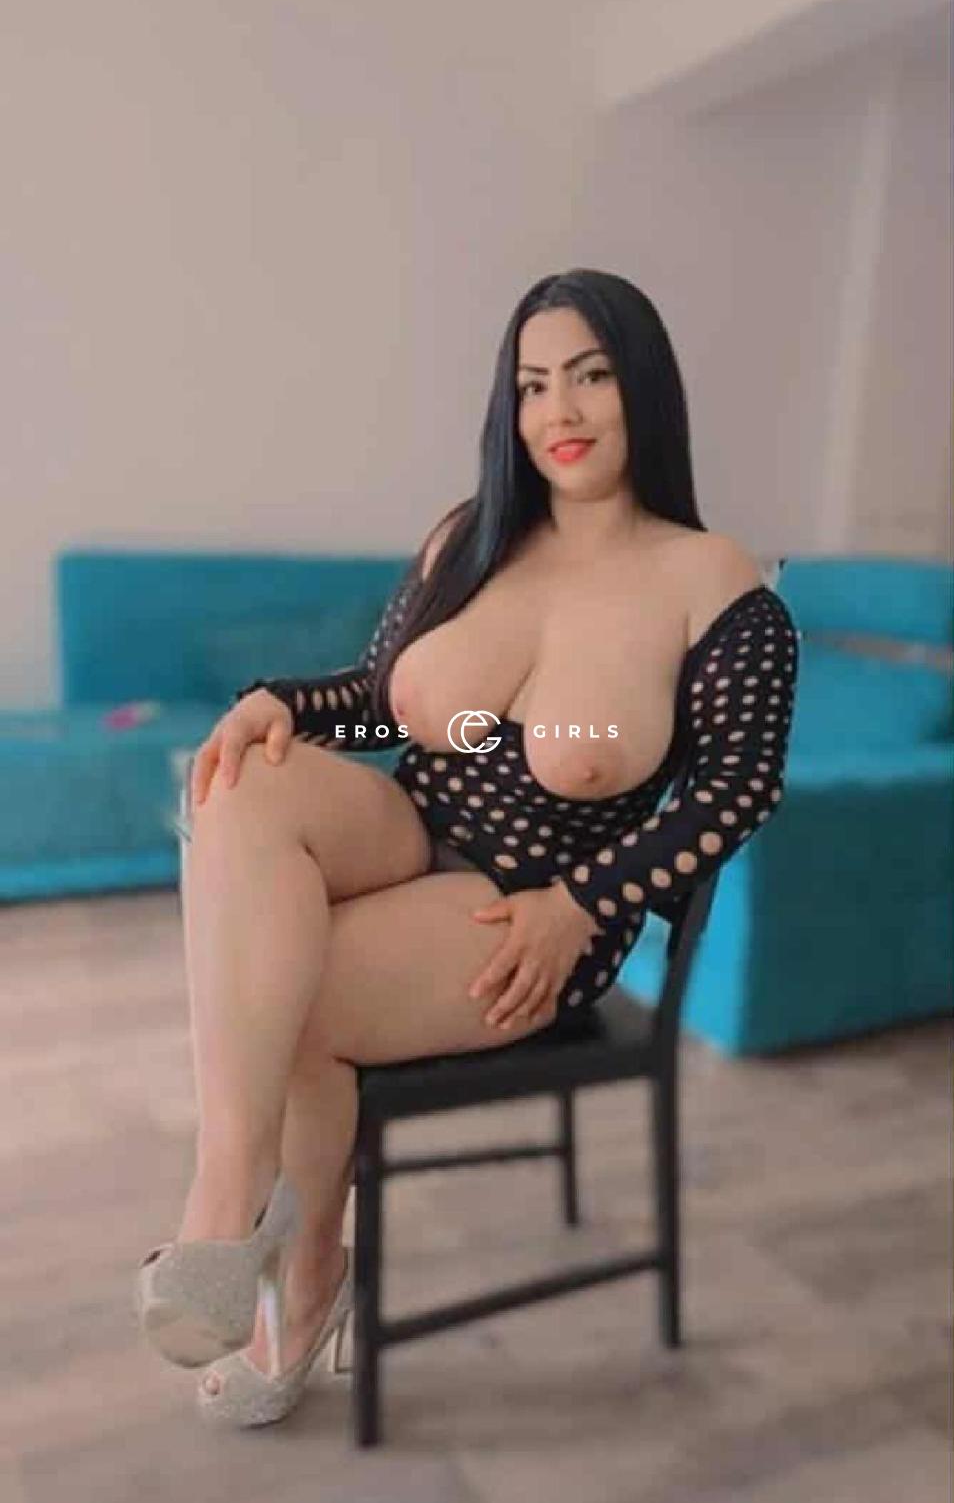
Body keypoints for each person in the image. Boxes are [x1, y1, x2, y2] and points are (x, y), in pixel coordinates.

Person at [134, 267, 800, 1429]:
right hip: (408, 833)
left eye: (590, 376)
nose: (560, 411)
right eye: (533, 384)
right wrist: (278, 702)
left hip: (530, 903)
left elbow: (739, 792)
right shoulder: (471, 538)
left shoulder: (714, 583)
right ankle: (228, 1201)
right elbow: (377, 705)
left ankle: (307, 1273)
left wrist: (587, 900)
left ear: (643, 386)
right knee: (239, 780)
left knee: (287, 995)